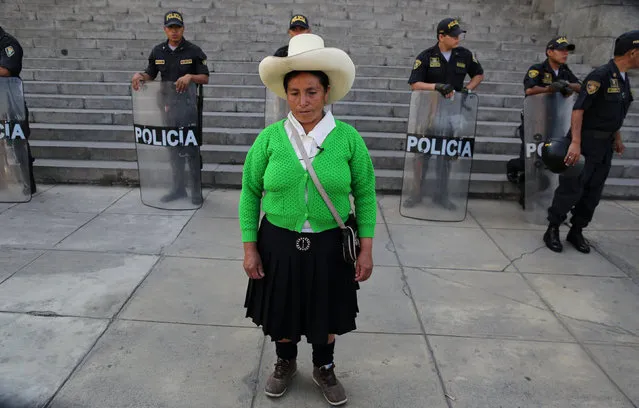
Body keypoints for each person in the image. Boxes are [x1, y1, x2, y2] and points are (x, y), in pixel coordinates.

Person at [239, 34, 376, 406]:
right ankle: (285, 362)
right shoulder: (269, 139)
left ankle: (324, 367)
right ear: (285, 94)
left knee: (327, 311)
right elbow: (250, 193)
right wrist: (250, 247)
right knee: (282, 309)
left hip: (331, 243)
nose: (303, 101)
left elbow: (364, 195)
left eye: (312, 92)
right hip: (278, 241)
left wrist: (366, 249)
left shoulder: (348, 140)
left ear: (327, 92)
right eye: (295, 92)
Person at [544, 30, 638, 253]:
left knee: (593, 193)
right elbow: (579, 110)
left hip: (604, 146)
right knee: (572, 188)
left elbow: (614, 113)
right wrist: (575, 143)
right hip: (585, 143)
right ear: (633, 52)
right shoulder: (601, 76)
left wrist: (617, 137)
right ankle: (553, 228)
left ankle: (576, 230)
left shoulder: (624, 80)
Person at [131, 11, 209, 205]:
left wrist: (190, 77)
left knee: (191, 150)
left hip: (189, 108)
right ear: (165, 29)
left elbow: (205, 77)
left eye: (177, 27)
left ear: (183, 29)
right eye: (170, 28)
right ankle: (178, 189)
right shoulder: (158, 51)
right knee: (173, 150)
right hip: (167, 108)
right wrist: (140, 75)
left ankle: (195, 191)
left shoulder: (193, 51)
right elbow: (151, 73)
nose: (174, 31)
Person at [405, 18, 484, 209]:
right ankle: (416, 194)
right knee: (421, 156)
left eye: (460, 35)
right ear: (441, 36)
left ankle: (442, 195)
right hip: (428, 114)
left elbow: (478, 73)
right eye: (454, 35)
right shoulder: (425, 56)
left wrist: (468, 89)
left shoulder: (464, 55)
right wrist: (436, 86)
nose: (459, 38)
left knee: (447, 156)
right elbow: (414, 84)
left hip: (452, 114)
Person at [508, 36, 582, 208]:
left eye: (567, 50)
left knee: (548, 158)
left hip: (556, 121)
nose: (565, 54)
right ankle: (520, 180)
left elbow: (580, 86)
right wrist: (550, 88)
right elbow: (529, 89)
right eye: (561, 50)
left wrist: (568, 86)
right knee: (530, 158)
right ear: (549, 52)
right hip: (534, 121)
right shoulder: (538, 69)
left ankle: (538, 190)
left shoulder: (565, 70)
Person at [0, 25, 36, 194]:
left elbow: (6, 70)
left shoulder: (8, 43)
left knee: (17, 142)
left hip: (11, 103)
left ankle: (27, 183)